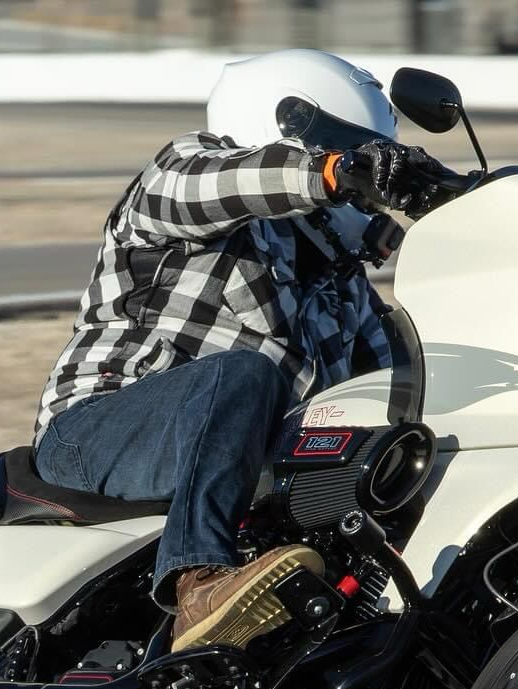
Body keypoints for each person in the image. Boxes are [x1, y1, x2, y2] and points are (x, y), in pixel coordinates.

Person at [32, 49, 446, 652]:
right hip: (94, 434)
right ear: (290, 128)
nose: (367, 192)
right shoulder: (181, 182)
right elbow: (213, 185)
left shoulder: (342, 285)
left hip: (235, 461)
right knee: (242, 376)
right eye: (352, 149)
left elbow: (403, 390)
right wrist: (328, 174)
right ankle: (197, 581)